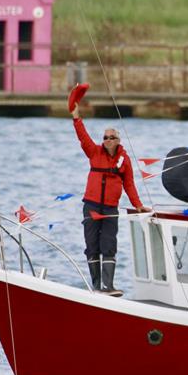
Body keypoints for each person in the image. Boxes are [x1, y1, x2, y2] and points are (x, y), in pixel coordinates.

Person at [71, 100, 150, 296]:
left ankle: (108, 286)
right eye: (105, 137)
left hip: (110, 209)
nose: (107, 140)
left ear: (118, 140)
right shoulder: (94, 152)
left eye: (111, 137)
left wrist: (138, 205)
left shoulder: (124, 160)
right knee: (92, 246)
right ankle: (97, 286)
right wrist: (76, 117)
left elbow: (129, 185)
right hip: (91, 207)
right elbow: (83, 137)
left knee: (109, 246)